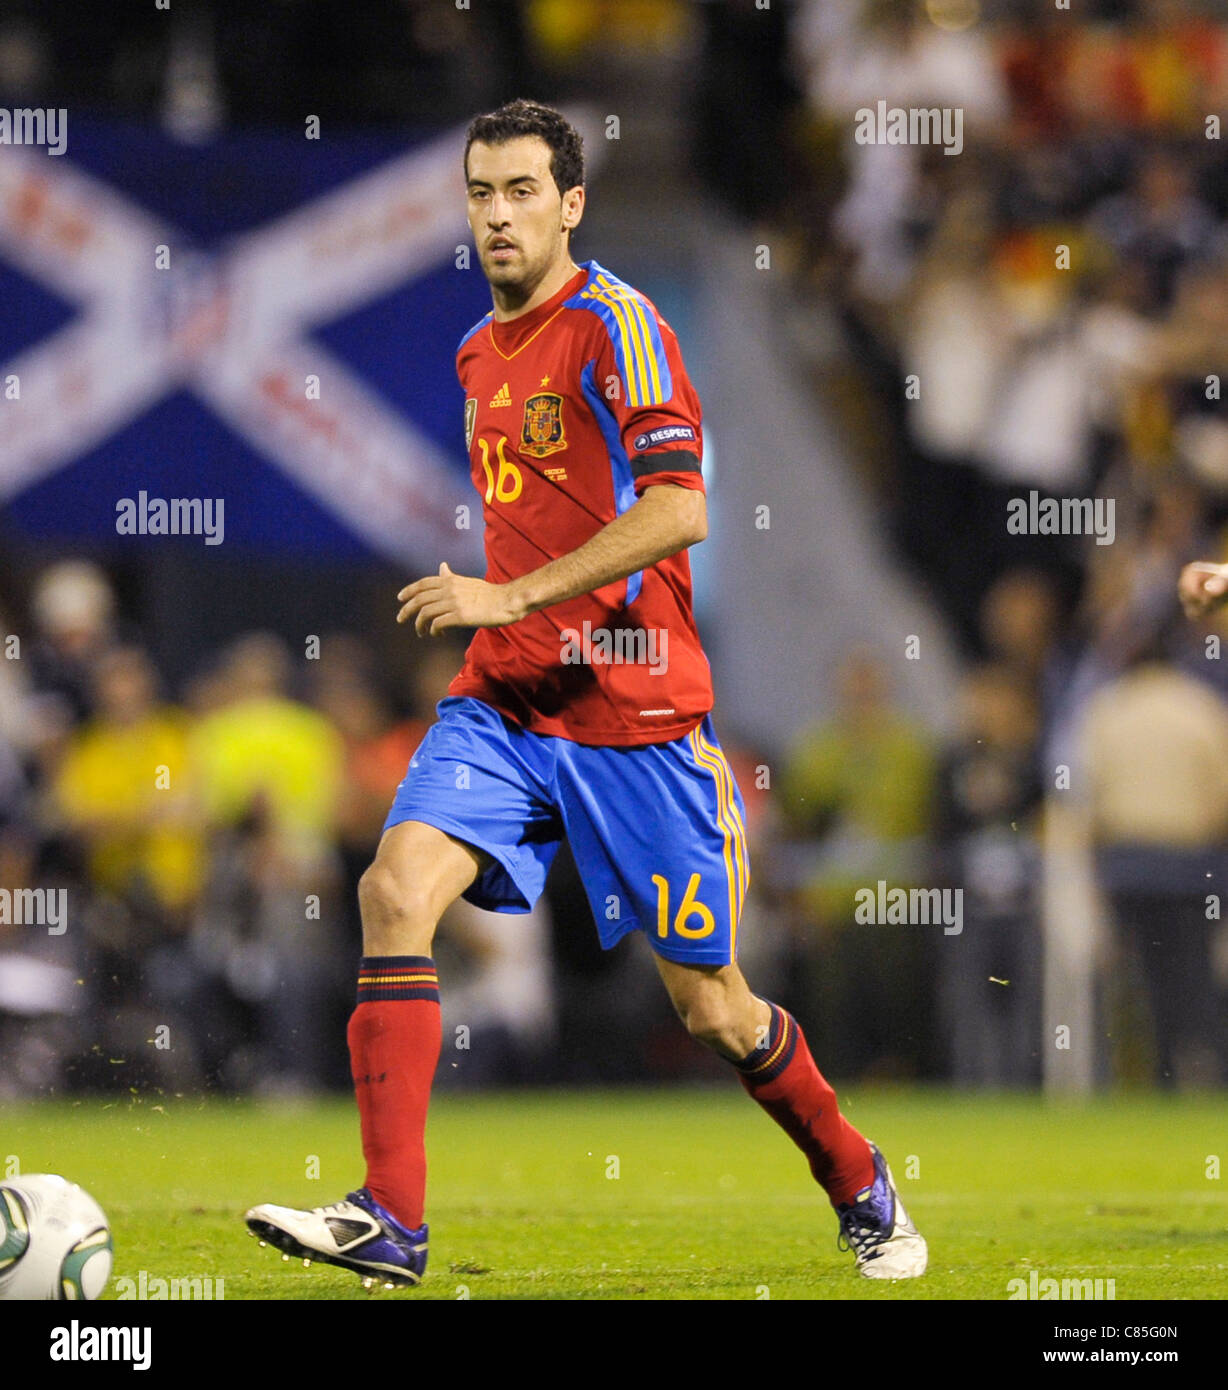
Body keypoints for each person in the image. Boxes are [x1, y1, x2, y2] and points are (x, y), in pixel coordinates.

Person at [245, 99, 925, 1286]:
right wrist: (509, 622)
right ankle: (390, 1221)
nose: (497, 214)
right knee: (395, 890)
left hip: (635, 714)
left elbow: (680, 509)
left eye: (521, 191)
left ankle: (860, 1179)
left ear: (570, 204)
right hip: (508, 702)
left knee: (713, 1009)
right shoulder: (473, 353)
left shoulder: (623, 325)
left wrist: (510, 597)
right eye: (480, 192)